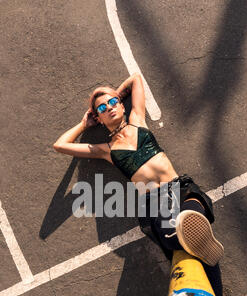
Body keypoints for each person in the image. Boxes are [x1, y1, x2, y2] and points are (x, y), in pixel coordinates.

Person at [53, 73, 224, 265]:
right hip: (156, 202)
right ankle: (203, 250)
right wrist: (84, 124)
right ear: (98, 117)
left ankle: (199, 239)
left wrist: (114, 97)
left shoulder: (137, 120)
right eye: (102, 108)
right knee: (174, 238)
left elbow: (135, 79)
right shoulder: (106, 150)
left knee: (192, 216)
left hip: (178, 188)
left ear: (119, 104)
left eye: (112, 102)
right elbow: (60, 145)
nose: (109, 107)